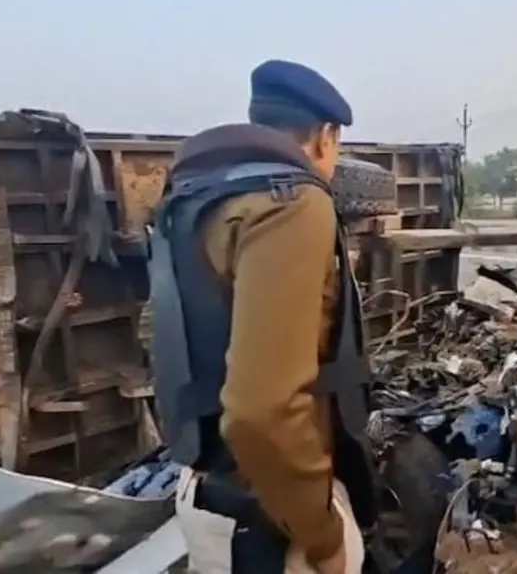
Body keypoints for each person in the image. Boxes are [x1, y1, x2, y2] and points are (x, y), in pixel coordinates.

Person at [148, 59, 377, 574]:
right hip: (272, 518)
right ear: (325, 136)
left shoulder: (190, 198)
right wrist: (321, 536)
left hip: (212, 490)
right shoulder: (291, 203)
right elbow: (262, 409)